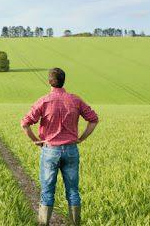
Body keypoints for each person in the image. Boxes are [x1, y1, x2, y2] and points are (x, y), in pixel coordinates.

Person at [20, 68, 99, 226]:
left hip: (50, 150)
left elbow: (25, 124)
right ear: (64, 81)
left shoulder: (44, 101)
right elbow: (94, 119)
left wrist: (36, 141)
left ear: (49, 82)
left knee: (47, 191)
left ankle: (43, 224)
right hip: (71, 150)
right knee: (73, 191)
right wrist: (81, 138)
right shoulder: (75, 100)